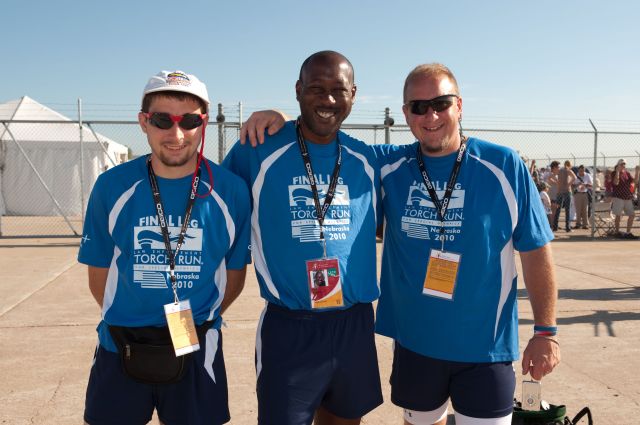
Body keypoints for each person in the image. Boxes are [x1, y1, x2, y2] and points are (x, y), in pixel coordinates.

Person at [241, 63, 561, 425]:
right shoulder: (388, 165)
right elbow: (320, 132)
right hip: (415, 346)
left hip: (485, 349)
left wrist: (546, 331)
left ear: (459, 105)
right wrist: (282, 118)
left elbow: (535, 249)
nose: (431, 116)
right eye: (419, 107)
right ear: (406, 113)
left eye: (441, 103)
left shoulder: (503, 165)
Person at [78, 70, 251, 425]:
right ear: (144, 122)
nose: (176, 134)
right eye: (162, 120)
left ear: (203, 124)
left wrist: (196, 322)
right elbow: (99, 276)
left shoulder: (231, 191)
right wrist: (138, 318)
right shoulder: (112, 187)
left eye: (189, 121)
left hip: (196, 344)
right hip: (120, 345)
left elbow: (234, 277)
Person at [223, 51, 383, 425]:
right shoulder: (257, 148)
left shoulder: (368, 158)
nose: (327, 100)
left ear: (354, 94)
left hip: (354, 324)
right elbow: (210, 203)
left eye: (337, 90)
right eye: (316, 89)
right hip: (291, 326)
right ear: (298, 91)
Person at [611, 159, 638, 239]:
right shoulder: (614, 173)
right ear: (618, 165)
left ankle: (628, 232)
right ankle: (617, 232)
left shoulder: (627, 173)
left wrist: (637, 172)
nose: (623, 166)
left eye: (624, 164)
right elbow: (616, 182)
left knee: (632, 215)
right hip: (618, 197)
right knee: (618, 215)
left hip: (627, 197)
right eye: (622, 164)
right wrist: (618, 172)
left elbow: (635, 182)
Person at [552, 160, 576, 232]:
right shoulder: (568, 170)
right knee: (567, 209)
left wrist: (557, 182)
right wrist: (568, 184)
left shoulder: (560, 170)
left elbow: (551, 176)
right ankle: (567, 228)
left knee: (558, 209)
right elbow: (574, 178)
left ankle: (555, 226)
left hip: (560, 191)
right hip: (567, 191)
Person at [572, 165, 593, 229]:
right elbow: (572, 186)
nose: (582, 172)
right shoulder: (575, 176)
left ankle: (585, 224)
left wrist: (585, 185)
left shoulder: (588, 175)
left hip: (585, 194)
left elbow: (591, 185)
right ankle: (578, 224)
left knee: (585, 210)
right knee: (578, 210)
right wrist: (578, 184)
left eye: (583, 170)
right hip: (577, 194)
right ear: (578, 170)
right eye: (580, 171)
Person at [545, 161, 560, 230]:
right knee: (551, 213)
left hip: (556, 196)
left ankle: (554, 225)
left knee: (555, 212)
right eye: (558, 167)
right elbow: (548, 180)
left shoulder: (556, 176)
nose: (559, 168)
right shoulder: (549, 174)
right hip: (551, 197)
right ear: (554, 167)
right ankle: (550, 226)